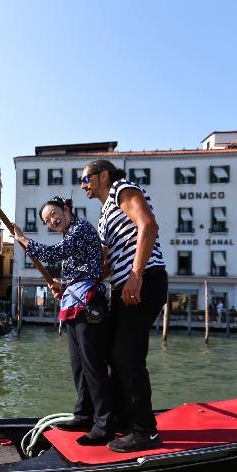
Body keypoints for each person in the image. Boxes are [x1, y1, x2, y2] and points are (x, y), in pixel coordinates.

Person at [14, 197, 117, 446]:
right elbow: (75, 270)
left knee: (93, 365)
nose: (51, 221)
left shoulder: (81, 229)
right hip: (74, 304)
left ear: (67, 209)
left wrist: (23, 239)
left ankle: (105, 424)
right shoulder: (69, 234)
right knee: (78, 365)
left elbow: (53, 254)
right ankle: (84, 415)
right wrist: (62, 285)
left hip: (90, 305)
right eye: (47, 220)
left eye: (53, 214)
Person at [81, 159, 168, 452]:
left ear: (103, 175)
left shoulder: (122, 189)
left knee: (127, 354)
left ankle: (145, 430)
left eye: (86, 179)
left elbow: (148, 225)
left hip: (144, 281)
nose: (83, 185)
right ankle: (125, 421)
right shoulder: (104, 216)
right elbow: (104, 267)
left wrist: (136, 275)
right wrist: (68, 285)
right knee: (113, 355)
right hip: (123, 287)